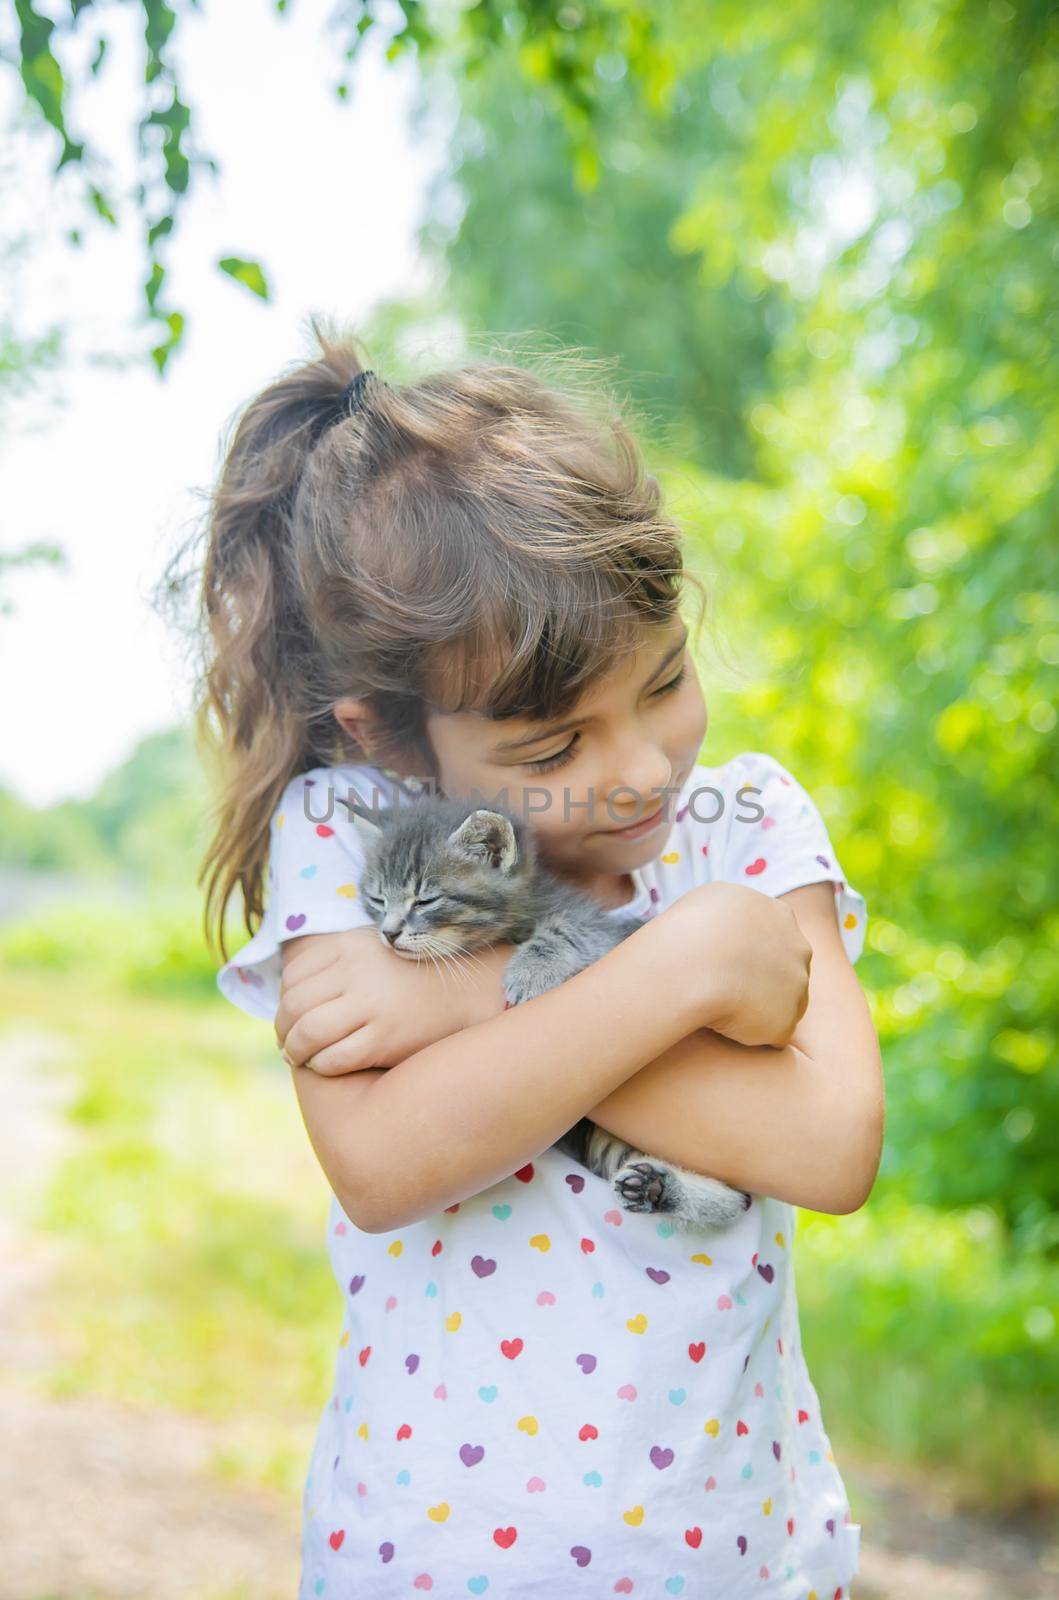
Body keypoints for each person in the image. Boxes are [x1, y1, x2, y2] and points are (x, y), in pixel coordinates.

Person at [191, 327, 883, 1598]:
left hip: (749, 1555)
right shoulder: (351, 835)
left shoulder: (751, 825)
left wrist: (458, 994)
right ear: (395, 739)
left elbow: (831, 1145)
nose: (636, 769)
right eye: (554, 747)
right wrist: (686, 970)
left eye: (665, 682)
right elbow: (389, 1162)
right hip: (437, 1559)